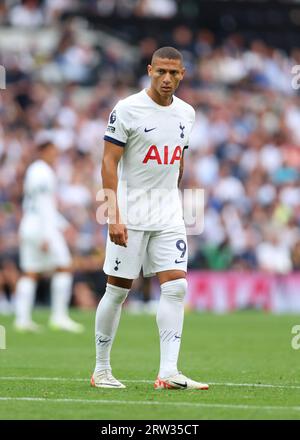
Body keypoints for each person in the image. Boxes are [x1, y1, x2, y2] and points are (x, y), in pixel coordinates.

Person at [91, 47, 209, 390]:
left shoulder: (187, 113)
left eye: (174, 73)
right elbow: (108, 162)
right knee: (117, 292)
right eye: (161, 72)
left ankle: (169, 372)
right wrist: (113, 215)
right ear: (149, 70)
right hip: (130, 213)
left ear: (183, 74)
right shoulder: (127, 109)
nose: (167, 79)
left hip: (169, 213)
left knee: (176, 286)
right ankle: (101, 369)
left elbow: (179, 161)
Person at [14, 140, 84, 333]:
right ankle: (59, 317)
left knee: (30, 271)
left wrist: (63, 224)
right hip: (41, 228)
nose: (55, 154)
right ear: (43, 150)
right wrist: (47, 234)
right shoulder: (43, 171)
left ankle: (22, 319)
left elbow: (40, 205)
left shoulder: (34, 170)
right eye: (53, 150)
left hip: (29, 224)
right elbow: (44, 204)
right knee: (64, 266)